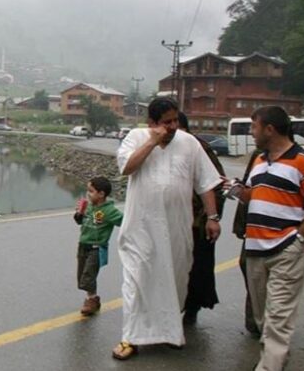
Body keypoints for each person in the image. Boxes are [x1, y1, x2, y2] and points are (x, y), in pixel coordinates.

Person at [112, 98, 222, 360]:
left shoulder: (189, 143)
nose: (173, 126)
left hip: (176, 228)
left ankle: (169, 331)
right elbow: (126, 168)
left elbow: (205, 183)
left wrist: (212, 216)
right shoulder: (136, 137)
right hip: (141, 228)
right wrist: (151, 142)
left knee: (175, 279)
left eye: (175, 120)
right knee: (137, 279)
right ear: (152, 123)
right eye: (167, 122)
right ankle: (131, 337)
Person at [228, 106, 304, 371]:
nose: (251, 133)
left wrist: (298, 240)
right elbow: (255, 195)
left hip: (285, 251)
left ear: (270, 129)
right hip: (255, 250)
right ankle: (274, 360)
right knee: (263, 319)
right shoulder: (258, 160)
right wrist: (236, 191)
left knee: (278, 320)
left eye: (254, 127)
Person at [178, 112, 226, 325]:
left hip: (196, 222)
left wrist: (210, 218)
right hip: (173, 220)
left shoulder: (200, 149)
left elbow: (215, 185)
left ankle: (192, 308)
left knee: (197, 268)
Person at [73, 177, 123, 316]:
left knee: (89, 275)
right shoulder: (89, 206)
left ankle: (91, 301)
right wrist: (79, 213)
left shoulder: (110, 211)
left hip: (97, 247)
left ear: (101, 194)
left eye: (91, 191)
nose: (88, 194)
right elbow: (79, 221)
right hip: (83, 245)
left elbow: (125, 222)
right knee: (82, 277)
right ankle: (94, 297)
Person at [232, 148, 262, 336]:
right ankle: (255, 321)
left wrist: (302, 237)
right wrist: (240, 224)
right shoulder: (258, 156)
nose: (252, 132)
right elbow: (246, 189)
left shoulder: (299, 159)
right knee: (247, 265)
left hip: (282, 235)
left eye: (254, 127)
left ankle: (267, 324)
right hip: (254, 228)